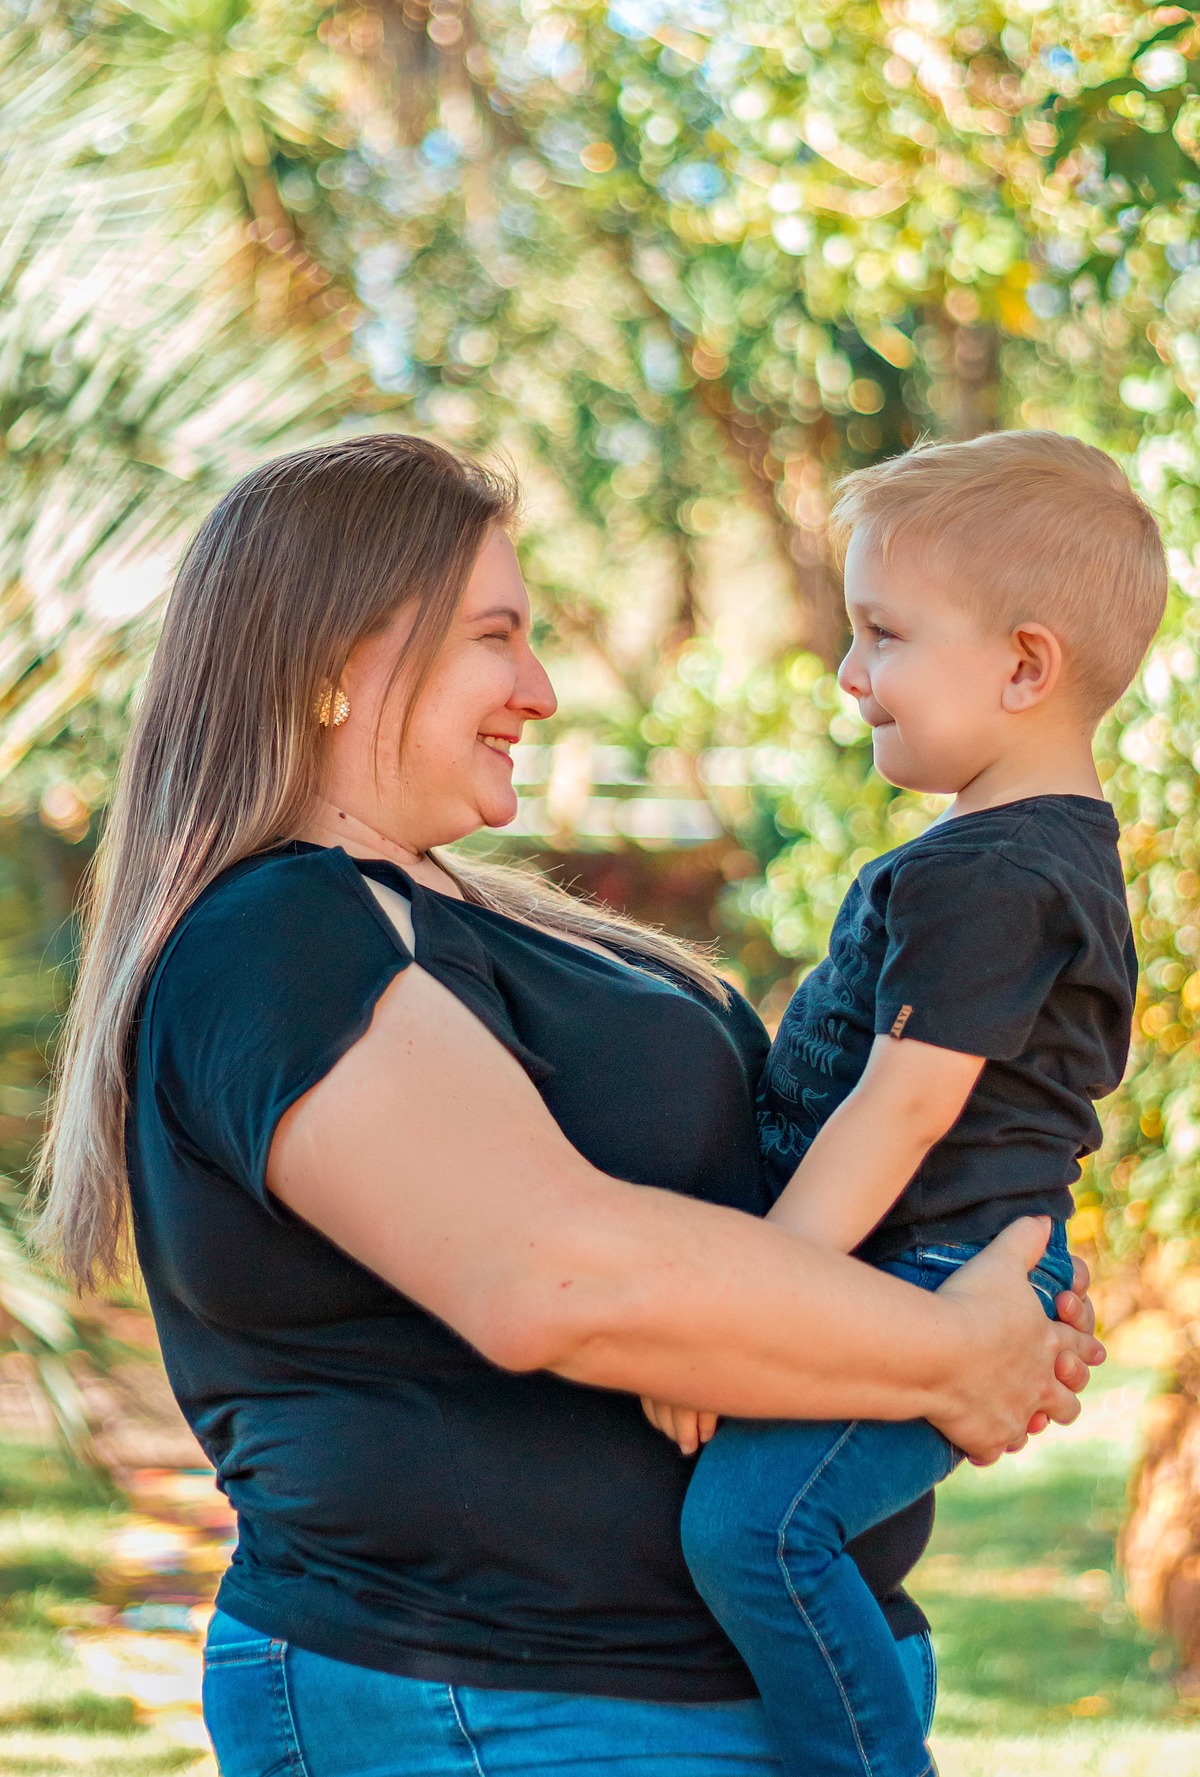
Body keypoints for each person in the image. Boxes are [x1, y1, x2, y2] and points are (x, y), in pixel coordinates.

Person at [33, 435, 1103, 1777]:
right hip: (507, 1707)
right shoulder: (281, 933)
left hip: (713, 1696)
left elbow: (756, 1209)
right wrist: (952, 1349)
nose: (539, 690)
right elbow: (555, 1276)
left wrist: (993, 1274)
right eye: (496, 637)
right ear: (326, 661)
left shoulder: (468, 916)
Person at [646, 432, 1164, 1777]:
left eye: (883, 632)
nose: (848, 671)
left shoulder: (989, 872)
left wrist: (742, 1307)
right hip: (933, 1259)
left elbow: (901, 1110)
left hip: (937, 1270)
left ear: (1024, 665)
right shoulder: (1031, 854)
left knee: (756, 1530)